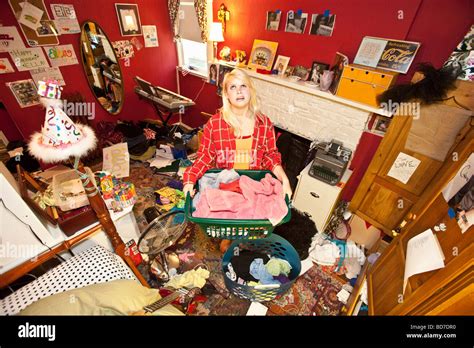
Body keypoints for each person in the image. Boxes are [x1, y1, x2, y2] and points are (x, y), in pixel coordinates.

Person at [183, 69, 292, 250]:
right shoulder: (215, 124)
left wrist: (285, 178)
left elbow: (271, 155)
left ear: (251, 90)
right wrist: (189, 180)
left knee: (264, 213)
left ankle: (244, 236)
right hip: (227, 185)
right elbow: (204, 157)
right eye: (233, 87)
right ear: (226, 94)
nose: (239, 91)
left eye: (243, 86)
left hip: (253, 183)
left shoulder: (264, 123)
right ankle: (231, 235)